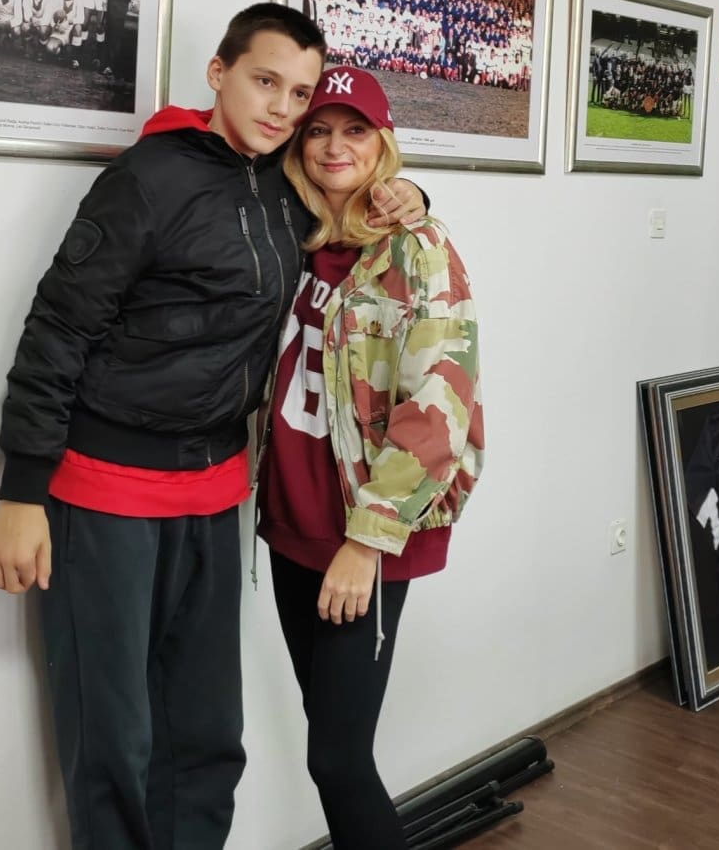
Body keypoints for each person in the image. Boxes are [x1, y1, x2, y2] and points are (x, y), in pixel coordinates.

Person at [0, 5, 426, 850]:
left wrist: (413, 192)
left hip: (216, 495)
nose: (283, 109)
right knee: (114, 739)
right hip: (106, 492)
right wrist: (22, 493)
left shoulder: (286, 184)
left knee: (207, 737)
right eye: (265, 82)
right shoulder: (148, 179)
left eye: (299, 94)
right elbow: (58, 328)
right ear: (219, 74)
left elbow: (356, 206)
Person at [258, 66, 483, 850]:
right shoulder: (287, 235)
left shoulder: (417, 249)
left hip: (363, 534)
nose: (334, 146)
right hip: (290, 523)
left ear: (383, 143)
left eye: (355, 131)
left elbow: (441, 405)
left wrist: (367, 541)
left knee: (337, 759)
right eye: (318, 130)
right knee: (331, 741)